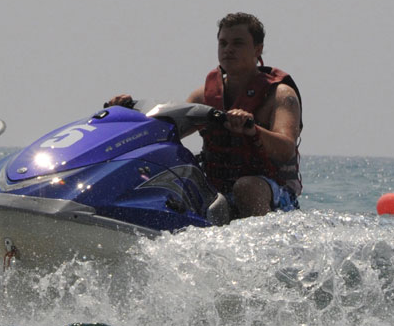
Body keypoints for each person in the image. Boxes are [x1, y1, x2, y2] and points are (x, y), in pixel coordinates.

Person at [108, 12, 302, 217]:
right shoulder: (204, 96)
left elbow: (286, 149)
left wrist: (252, 129)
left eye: (238, 43)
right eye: (223, 43)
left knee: (246, 187)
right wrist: (125, 112)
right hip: (219, 190)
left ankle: (264, 245)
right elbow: (163, 131)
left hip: (273, 193)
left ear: (258, 49)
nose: (228, 49)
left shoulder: (281, 95)